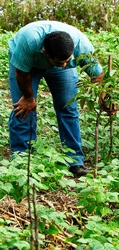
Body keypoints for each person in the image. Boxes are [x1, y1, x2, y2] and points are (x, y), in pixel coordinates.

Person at [8, 20, 104, 177]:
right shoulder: (29, 41)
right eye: (61, 62)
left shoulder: (81, 45)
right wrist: (28, 97)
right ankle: (21, 158)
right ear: (46, 53)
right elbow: (21, 72)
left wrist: (100, 95)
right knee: (24, 108)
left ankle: (74, 160)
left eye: (68, 60)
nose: (65, 64)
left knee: (68, 107)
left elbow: (97, 74)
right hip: (27, 65)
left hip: (56, 60)